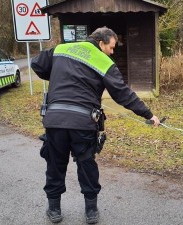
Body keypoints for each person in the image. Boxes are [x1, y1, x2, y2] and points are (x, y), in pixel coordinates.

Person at [31, 27, 160, 224]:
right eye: (111, 47)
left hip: (54, 119)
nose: (112, 51)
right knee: (86, 164)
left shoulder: (62, 49)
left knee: (55, 164)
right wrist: (149, 114)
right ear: (101, 43)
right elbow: (123, 94)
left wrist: (59, 76)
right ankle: (91, 211)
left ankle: (54, 209)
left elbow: (37, 64)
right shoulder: (104, 61)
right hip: (83, 123)